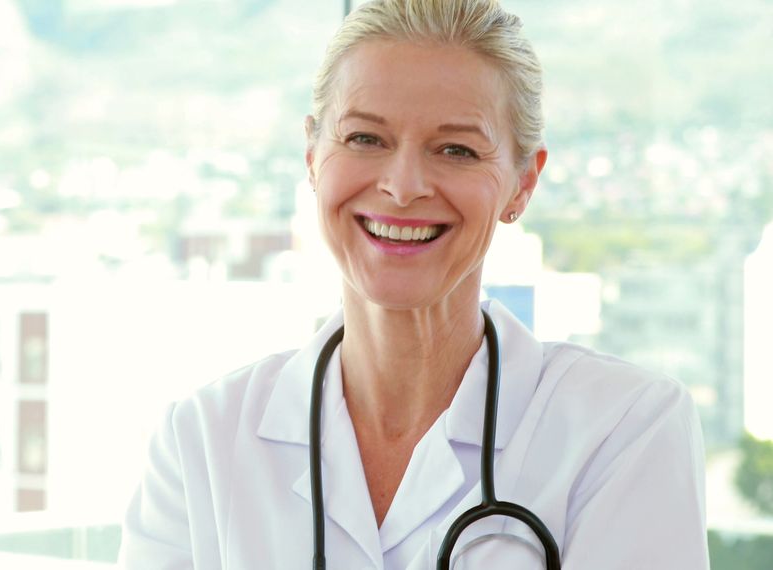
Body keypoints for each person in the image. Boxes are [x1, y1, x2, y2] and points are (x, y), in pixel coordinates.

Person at [119, 0, 709, 568]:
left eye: (456, 149)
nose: (403, 187)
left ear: (523, 184)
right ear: (311, 155)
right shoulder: (200, 443)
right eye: (364, 139)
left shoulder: (625, 432)